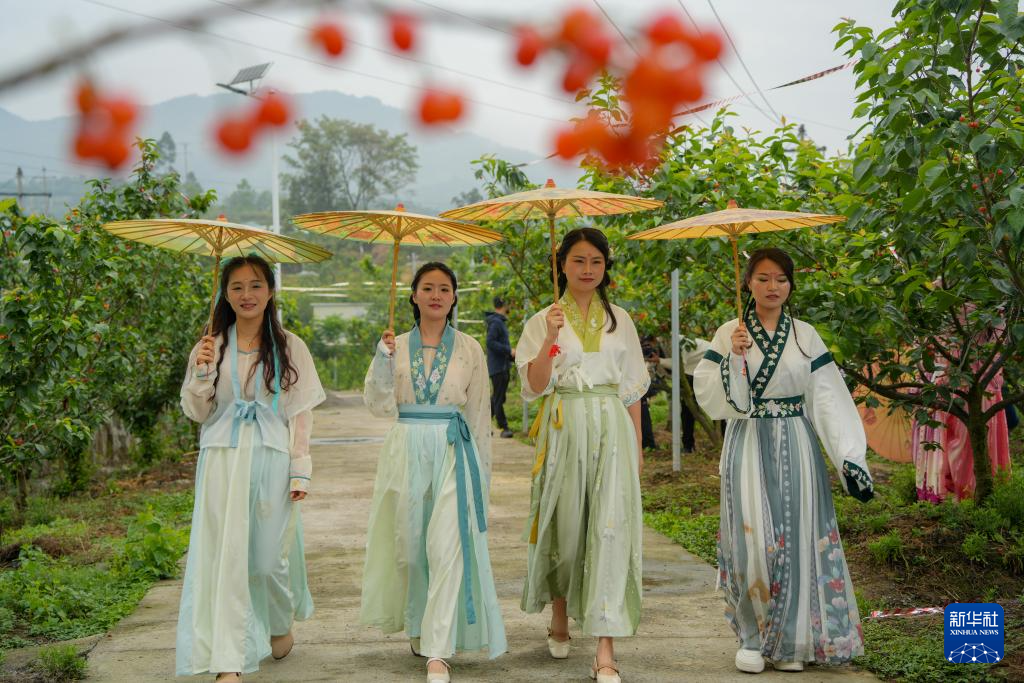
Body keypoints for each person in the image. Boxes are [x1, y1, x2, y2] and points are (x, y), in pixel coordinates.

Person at [694, 247, 874, 675]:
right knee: (752, 541)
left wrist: (850, 456)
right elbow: (710, 394)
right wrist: (734, 358)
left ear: (791, 285)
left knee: (798, 539)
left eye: (780, 279)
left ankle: (793, 638)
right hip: (747, 440)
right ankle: (753, 637)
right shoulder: (730, 332)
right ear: (748, 283)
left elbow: (827, 396)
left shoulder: (805, 335)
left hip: (796, 440)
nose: (772, 286)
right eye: (762, 278)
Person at [177, 255, 325, 681]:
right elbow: (197, 413)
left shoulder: (290, 346)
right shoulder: (209, 346)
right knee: (225, 560)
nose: (247, 294)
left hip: (271, 457)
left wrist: (300, 469)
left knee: (265, 561)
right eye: (237, 286)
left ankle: (279, 620)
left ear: (270, 291)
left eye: (256, 285)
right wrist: (202, 374)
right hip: (222, 457)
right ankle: (230, 661)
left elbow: (300, 414)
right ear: (225, 294)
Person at [361, 262, 507, 683]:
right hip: (406, 448)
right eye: (428, 288)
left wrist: (481, 479)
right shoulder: (394, 346)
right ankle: (418, 622)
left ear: (454, 297)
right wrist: (383, 360)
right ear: (414, 295)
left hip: (452, 449)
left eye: (445, 288)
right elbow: (377, 405)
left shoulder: (469, 348)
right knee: (409, 550)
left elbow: (478, 415)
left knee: (447, 547)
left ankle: (439, 651)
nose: (437, 295)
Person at [516, 228, 648, 683]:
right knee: (567, 526)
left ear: (606, 267)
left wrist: (637, 446)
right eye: (578, 260)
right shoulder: (543, 320)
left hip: (612, 426)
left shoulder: (620, 320)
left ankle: (605, 649)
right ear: (562, 265)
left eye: (596, 261)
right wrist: (549, 340)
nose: (588, 269)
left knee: (611, 529)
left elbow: (631, 389)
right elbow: (535, 386)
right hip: (565, 425)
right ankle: (559, 610)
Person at [485, 296, 515, 438]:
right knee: (498, 398)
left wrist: (511, 355)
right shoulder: (496, 322)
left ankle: (484, 425)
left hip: (501, 366)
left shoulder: (498, 322)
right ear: (503, 305)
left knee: (497, 397)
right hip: (498, 367)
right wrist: (509, 350)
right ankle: (504, 427)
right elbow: (490, 342)